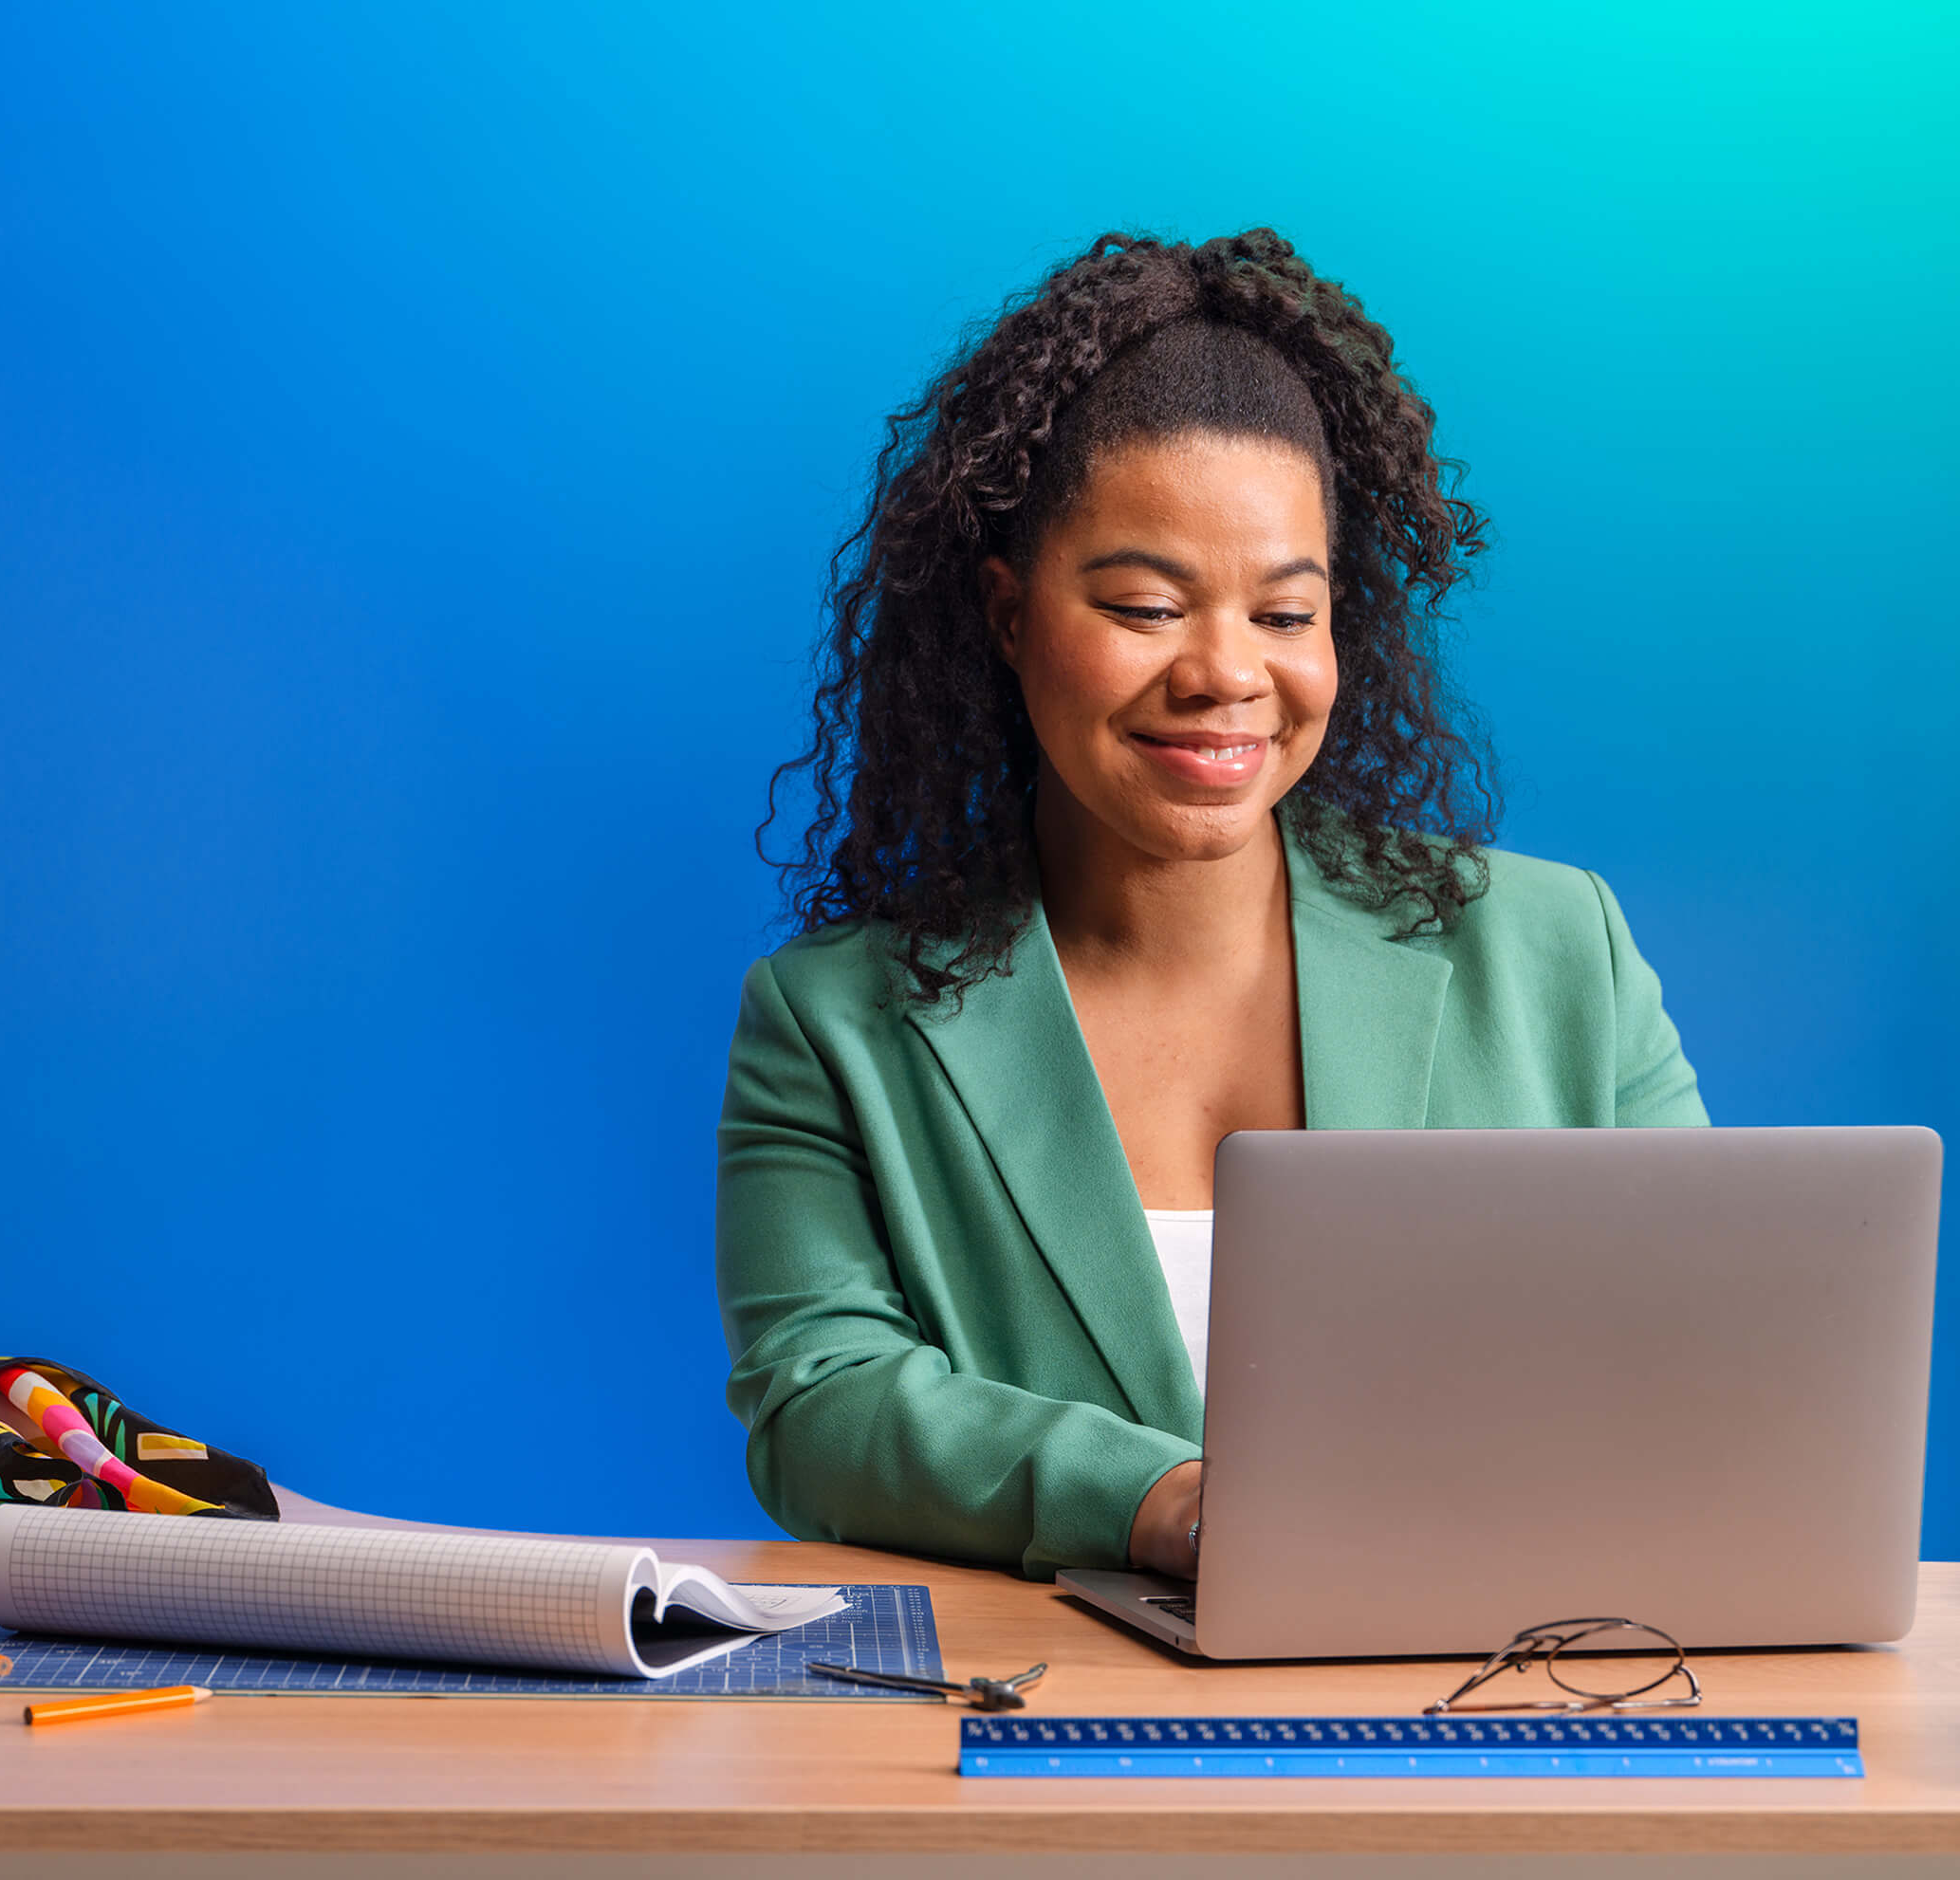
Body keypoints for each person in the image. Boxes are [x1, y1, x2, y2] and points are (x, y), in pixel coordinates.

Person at [714, 229, 1707, 1582]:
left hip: (1492, 1707)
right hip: (1052, 1740)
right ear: (1008, 616)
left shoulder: (1562, 957)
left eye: (1287, 616)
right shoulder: (832, 1024)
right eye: (1144, 604)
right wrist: (1170, 1500)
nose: (1225, 674)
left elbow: (1707, 1356)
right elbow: (818, 1408)